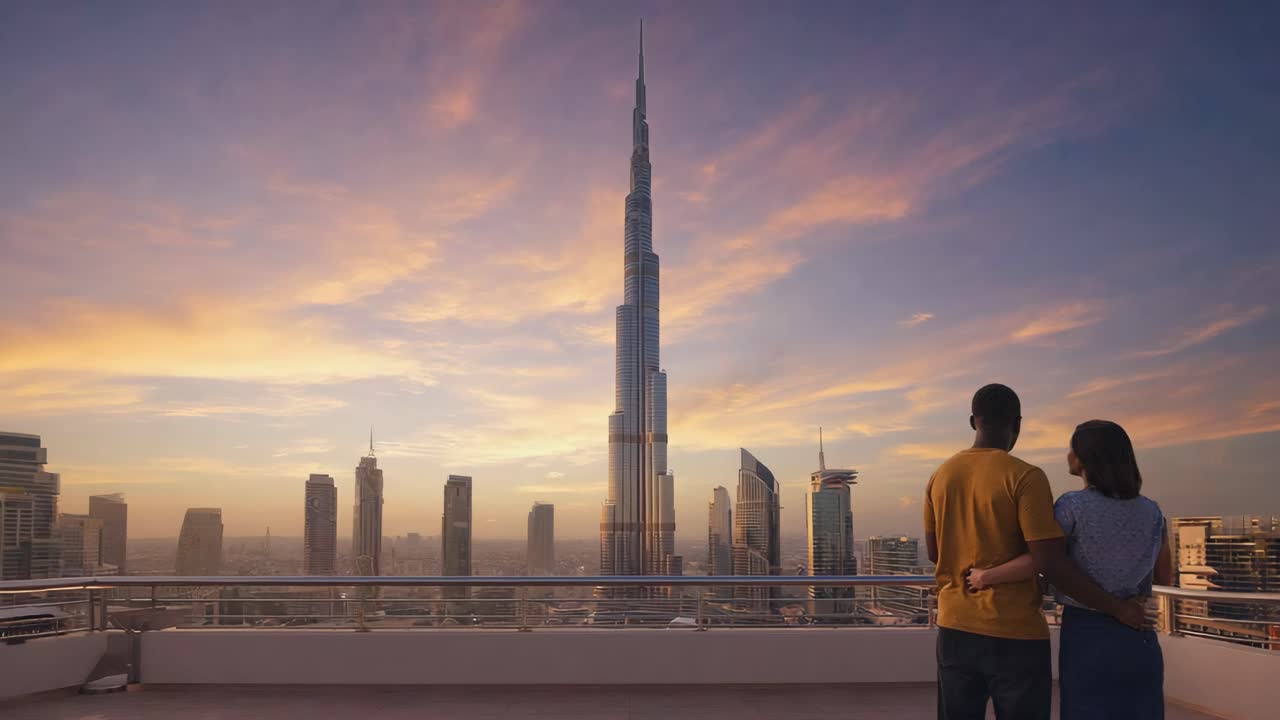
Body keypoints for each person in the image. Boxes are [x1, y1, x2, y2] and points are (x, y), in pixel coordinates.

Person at [925, 384, 1144, 720]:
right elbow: (1048, 560)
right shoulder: (1025, 476)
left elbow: (934, 551)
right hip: (1015, 634)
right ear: (1018, 423)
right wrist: (1116, 607)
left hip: (955, 627)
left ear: (973, 421)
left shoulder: (939, 477)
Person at [967, 419, 1173, 719]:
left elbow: (1044, 560)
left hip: (1089, 636)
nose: (1067, 455)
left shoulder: (1072, 506)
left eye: (1071, 449)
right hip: (1140, 637)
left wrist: (985, 576)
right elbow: (1163, 576)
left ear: (1084, 457)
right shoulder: (1152, 511)